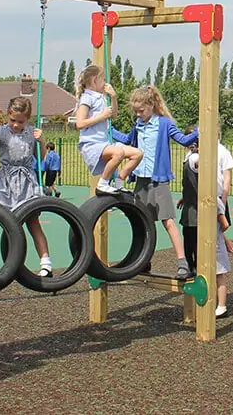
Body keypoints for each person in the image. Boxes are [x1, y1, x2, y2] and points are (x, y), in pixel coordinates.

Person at [112, 86, 199, 278]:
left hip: (158, 180)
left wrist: (201, 130)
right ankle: (144, 261)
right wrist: (109, 130)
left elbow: (184, 140)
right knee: (143, 222)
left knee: (167, 221)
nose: (137, 114)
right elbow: (128, 140)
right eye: (135, 111)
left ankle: (183, 263)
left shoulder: (164, 123)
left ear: (151, 105)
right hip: (141, 180)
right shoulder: (138, 124)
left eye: (140, 110)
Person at [0, 96, 51, 276]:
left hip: (26, 180)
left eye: (20, 121)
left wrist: (42, 141)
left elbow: (42, 157)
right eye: (12, 120)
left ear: (27, 119)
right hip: (4, 180)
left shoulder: (31, 133)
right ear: (8, 115)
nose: (15, 125)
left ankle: (46, 263)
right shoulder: (1, 131)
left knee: (33, 221)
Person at [178, 133, 233, 318]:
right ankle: (202, 300)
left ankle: (218, 304)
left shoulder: (195, 158)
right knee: (197, 258)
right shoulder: (193, 157)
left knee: (210, 263)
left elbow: (210, 180)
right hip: (194, 213)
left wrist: (221, 207)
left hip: (201, 214)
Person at [73, 64, 144, 195]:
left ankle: (118, 184)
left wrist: (113, 97)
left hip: (105, 143)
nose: (105, 83)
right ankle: (102, 184)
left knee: (137, 154)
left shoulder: (102, 97)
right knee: (118, 153)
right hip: (92, 144)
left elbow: (114, 115)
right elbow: (79, 124)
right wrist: (102, 116)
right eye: (103, 79)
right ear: (95, 80)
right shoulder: (87, 98)